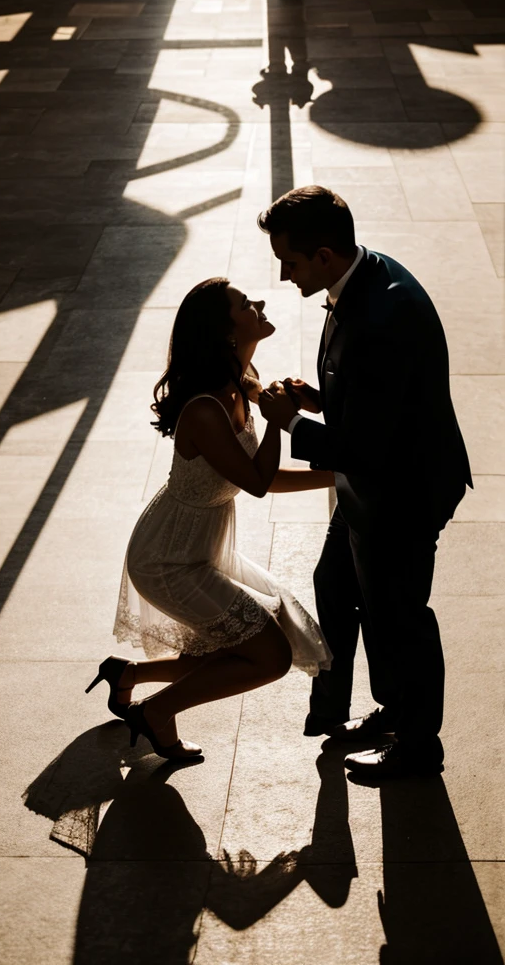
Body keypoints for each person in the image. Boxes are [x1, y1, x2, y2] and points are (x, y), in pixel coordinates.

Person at [257, 186, 472, 780]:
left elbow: (365, 447)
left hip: (399, 493)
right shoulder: (365, 277)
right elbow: (379, 402)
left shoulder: (382, 315)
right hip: (371, 484)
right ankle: (393, 708)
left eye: (290, 263)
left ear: (325, 255)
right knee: (339, 584)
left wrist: (292, 421)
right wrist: (322, 401)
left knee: (400, 616)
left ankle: (419, 746)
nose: (284, 275)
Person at [86, 278, 333, 761]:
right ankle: (157, 713)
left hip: (203, 548)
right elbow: (258, 481)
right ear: (225, 331)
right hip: (168, 559)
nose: (258, 303)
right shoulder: (204, 409)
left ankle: (128, 674)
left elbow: (261, 477)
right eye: (245, 303)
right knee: (270, 654)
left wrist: (338, 475)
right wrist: (279, 422)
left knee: (249, 641)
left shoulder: (242, 381)